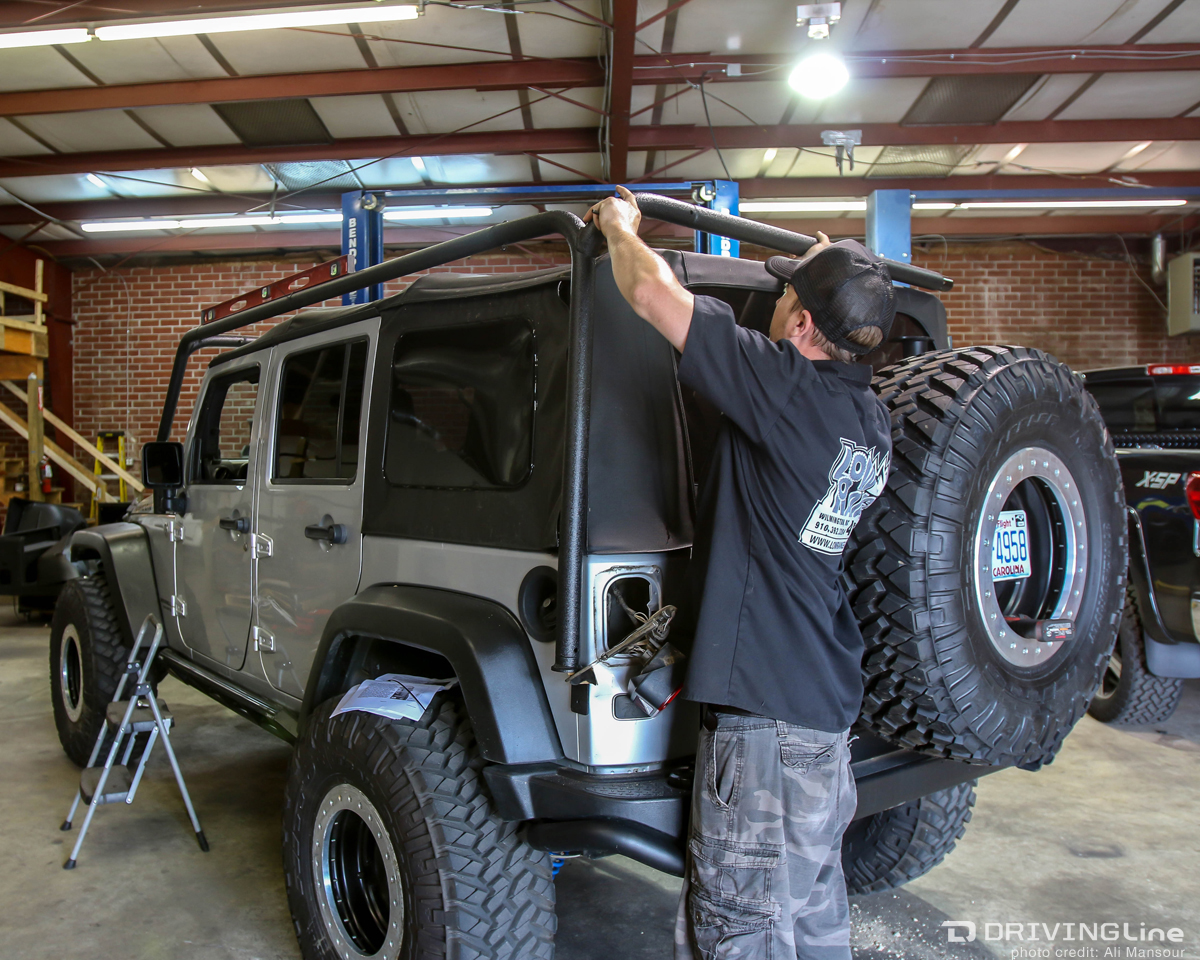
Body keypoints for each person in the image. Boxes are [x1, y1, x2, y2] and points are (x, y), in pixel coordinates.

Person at [584, 186, 896, 960]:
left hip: (761, 723)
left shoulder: (783, 389)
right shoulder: (868, 420)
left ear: (797, 326)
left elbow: (653, 291)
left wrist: (620, 225)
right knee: (812, 912)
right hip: (823, 718)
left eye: (787, 293)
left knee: (740, 929)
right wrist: (830, 272)